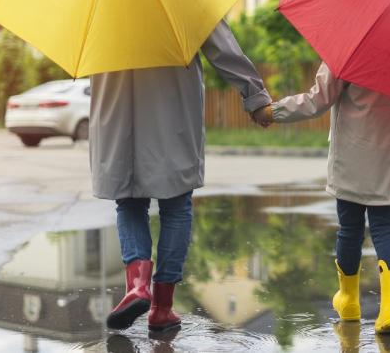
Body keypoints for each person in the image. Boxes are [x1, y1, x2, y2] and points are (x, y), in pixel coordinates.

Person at [91, 20, 272, 332]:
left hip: (116, 107)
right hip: (172, 106)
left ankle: (137, 286)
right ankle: (161, 307)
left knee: (129, 202)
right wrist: (255, 96)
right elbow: (222, 47)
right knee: (176, 204)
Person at [255, 62, 390, 335]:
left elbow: (318, 99)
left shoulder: (349, 51)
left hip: (354, 154)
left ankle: (348, 301)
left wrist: (272, 111)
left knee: (350, 229)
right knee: (383, 226)